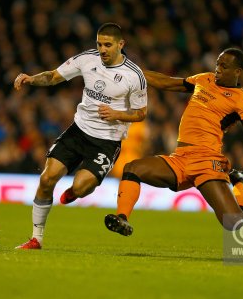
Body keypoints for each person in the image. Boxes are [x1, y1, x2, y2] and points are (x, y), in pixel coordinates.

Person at [104, 48, 243, 235]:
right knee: (132, 168)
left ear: (237, 72)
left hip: (206, 161)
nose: (217, 68)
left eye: (224, 66)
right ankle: (122, 218)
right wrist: (133, 72)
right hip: (180, 158)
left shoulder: (240, 99)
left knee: (234, 223)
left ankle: (238, 182)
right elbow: (167, 83)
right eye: (217, 63)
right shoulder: (204, 79)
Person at [13, 23, 148, 249]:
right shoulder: (87, 59)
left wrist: (117, 114)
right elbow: (54, 76)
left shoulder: (134, 75)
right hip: (78, 131)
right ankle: (36, 238)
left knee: (82, 187)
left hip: (106, 142)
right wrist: (30, 79)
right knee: (47, 179)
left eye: (108, 45)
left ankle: (74, 193)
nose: (102, 49)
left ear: (121, 45)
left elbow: (141, 113)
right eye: (99, 44)